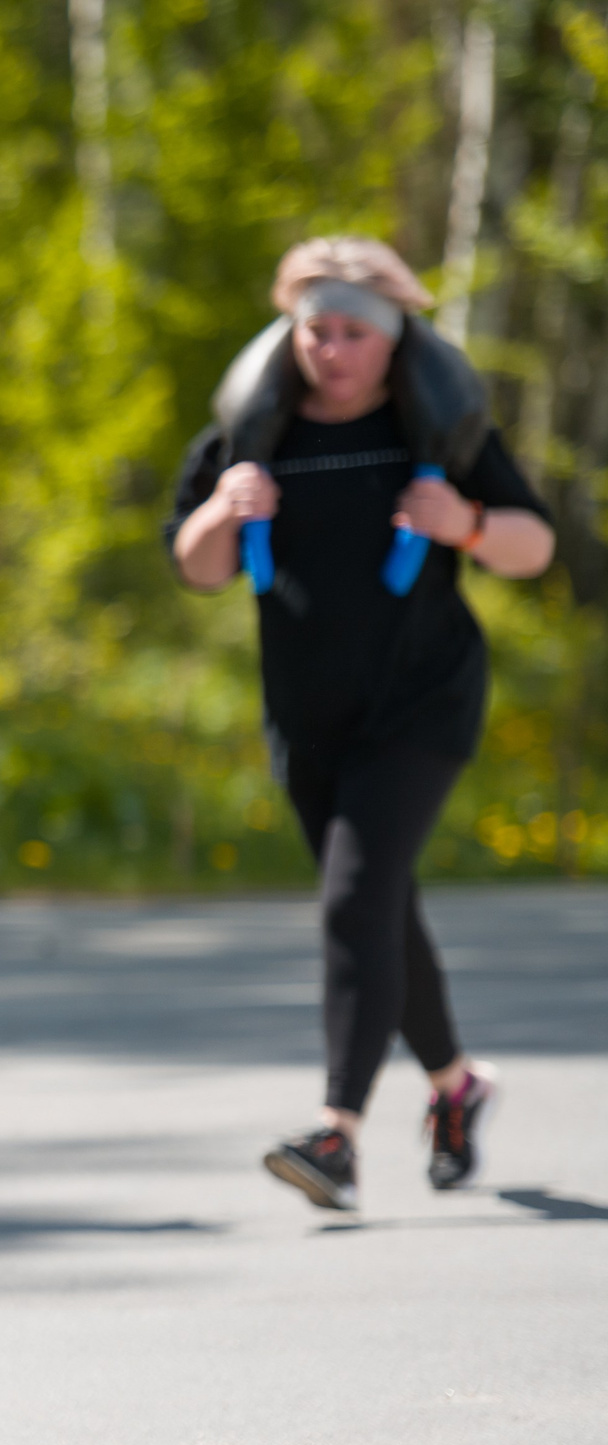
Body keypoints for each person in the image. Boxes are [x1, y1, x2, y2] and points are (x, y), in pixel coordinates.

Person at [167, 237, 553, 1211]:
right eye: (314, 329)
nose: (330, 350)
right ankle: (455, 1086)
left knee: (354, 897)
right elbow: (196, 566)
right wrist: (221, 509)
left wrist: (460, 521)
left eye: (352, 331)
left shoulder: (435, 424)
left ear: (391, 338)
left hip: (423, 700)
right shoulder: (256, 429)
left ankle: (335, 1134)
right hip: (308, 712)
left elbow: (532, 544)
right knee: (380, 907)